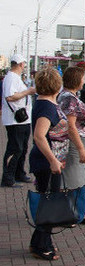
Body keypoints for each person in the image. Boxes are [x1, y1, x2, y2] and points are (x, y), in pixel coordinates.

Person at [28, 66, 68, 261]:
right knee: (49, 205)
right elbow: (39, 136)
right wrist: (53, 160)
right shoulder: (46, 107)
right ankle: (41, 245)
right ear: (56, 85)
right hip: (47, 163)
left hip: (49, 162)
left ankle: (40, 242)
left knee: (48, 203)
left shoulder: (45, 103)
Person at [58, 67, 85, 226]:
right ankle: (69, 213)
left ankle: (80, 212)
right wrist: (81, 148)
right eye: (82, 78)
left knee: (77, 176)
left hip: (77, 141)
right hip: (74, 143)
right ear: (76, 80)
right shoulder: (69, 98)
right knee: (72, 177)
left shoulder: (70, 96)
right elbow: (71, 126)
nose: (84, 81)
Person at [1, 54, 35, 187]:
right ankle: (8, 177)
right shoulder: (11, 78)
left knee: (23, 148)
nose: (24, 67)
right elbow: (10, 97)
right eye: (24, 64)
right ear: (21, 64)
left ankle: (19, 173)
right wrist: (28, 92)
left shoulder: (15, 78)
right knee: (15, 149)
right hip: (15, 120)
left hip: (23, 120)